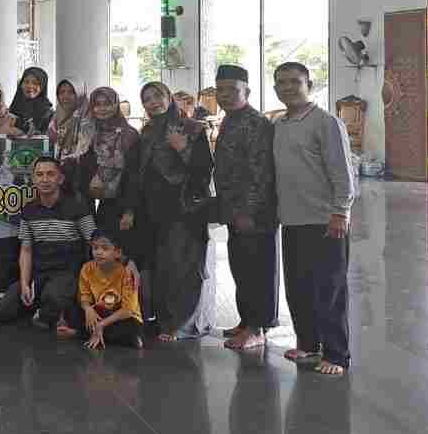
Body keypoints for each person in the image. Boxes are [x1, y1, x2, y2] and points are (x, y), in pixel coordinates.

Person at [273, 61, 356, 377]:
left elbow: (342, 171)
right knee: (298, 288)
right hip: (292, 220)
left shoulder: (326, 122)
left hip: (325, 220)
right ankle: (308, 343)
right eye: (282, 82)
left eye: (295, 81)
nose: (288, 88)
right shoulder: (279, 125)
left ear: (309, 85)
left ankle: (337, 354)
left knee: (329, 290)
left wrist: (340, 211)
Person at [137, 81, 215, 342]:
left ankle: (182, 324)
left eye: (157, 96)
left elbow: (204, 170)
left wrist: (183, 149)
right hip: (153, 209)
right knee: (161, 268)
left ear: (168, 97)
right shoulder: (147, 131)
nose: (153, 102)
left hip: (183, 209)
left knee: (183, 267)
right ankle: (164, 320)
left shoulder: (191, 127)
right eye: (147, 99)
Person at [212, 65, 279, 351]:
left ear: (247, 91)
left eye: (232, 89)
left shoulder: (256, 123)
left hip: (254, 213)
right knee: (241, 267)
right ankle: (246, 320)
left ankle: (258, 328)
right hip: (234, 210)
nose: (225, 95)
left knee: (257, 270)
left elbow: (260, 174)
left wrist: (247, 212)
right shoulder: (230, 119)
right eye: (221, 90)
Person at [0, 156, 94, 338]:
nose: (45, 179)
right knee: (2, 312)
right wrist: (25, 284)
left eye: (50, 174)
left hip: (67, 274)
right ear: (33, 179)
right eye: (39, 175)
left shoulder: (77, 206)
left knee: (53, 298)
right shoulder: (29, 210)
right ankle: (45, 310)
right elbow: (26, 250)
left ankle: (49, 311)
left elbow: (94, 241)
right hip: (38, 275)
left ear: (60, 179)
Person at [75, 87, 139, 240]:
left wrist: (129, 210)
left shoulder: (129, 134)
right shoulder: (87, 132)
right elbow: (81, 167)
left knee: (113, 245)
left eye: (107, 104)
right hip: (87, 200)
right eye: (97, 104)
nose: (102, 108)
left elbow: (134, 175)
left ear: (116, 105)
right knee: (90, 244)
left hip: (118, 202)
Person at [79, 230, 144, 349]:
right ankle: (98, 333)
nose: (99, 252)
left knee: (130, 329)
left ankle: (89, 333)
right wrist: (88, 309)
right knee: (76, 314)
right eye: (95, 248)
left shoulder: (126, 273)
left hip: (123, 317)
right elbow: (84, 296)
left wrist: (101, 325)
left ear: (117, 253)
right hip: (101, 312)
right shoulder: (87, 268)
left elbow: (128, 310)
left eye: (105, 248)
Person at [48, 79, 90, 158]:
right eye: (62, 92)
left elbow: (84, 148)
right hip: (58, 160)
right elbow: (49, 139)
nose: (65, 96)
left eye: (71, 92)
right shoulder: (59, 111)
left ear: (80, 93)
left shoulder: (87, 114)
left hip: (80, 162)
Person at [9, 67, 54, 136]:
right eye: (26, 82)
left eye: (35, 83)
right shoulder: (14, 108)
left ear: (42, 87)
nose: (30, 86)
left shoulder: (48, 113)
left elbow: (48, 137)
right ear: (21, 85)